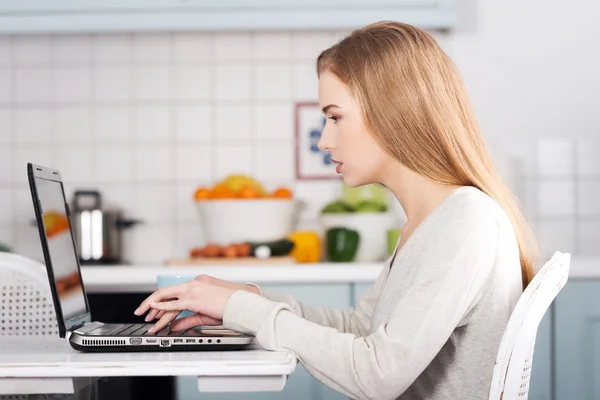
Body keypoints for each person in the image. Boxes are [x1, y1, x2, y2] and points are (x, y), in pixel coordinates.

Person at [134, 20, 540, 400]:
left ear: (392, 112)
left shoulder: (466, 222)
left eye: (334, 118)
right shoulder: (432, 222)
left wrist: (245, 311)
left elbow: (379, 372)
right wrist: (244, 300)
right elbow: (361, 329)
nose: (325, 141)